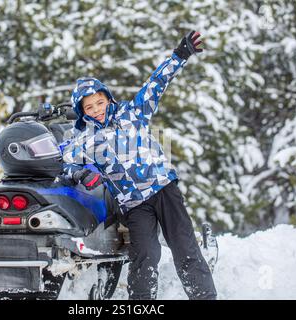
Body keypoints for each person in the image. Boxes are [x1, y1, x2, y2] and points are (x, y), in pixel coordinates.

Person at [62, 31, 217, 300]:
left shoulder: (132, 113)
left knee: (184, 247)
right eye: (89, 107)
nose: (97, 109)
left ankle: (204, 297)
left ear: (108, 99)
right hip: (134, 204)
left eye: (100, 102)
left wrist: (180, 55)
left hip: (163, 189)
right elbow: (63, 164)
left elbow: (157, 83)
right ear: (82, 111)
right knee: (145, 256)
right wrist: (82, 172)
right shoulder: (83, 140)